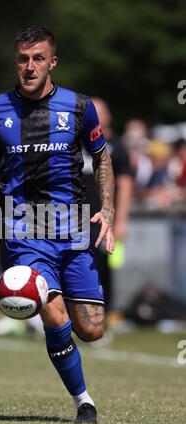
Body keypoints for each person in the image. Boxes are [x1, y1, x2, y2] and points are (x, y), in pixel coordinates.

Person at [0, 26, 115, 424]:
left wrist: (107, 210)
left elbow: (103, 158)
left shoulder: (79, 106)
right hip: (23, 229)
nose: (30, 66)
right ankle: (83, 401)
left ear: (52, 61)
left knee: (91, 330)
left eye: (38, 58)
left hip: (72, 229)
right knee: (54, 315)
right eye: (23, 58)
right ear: (15, 62)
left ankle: (64, 343)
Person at [83, 97, 134, 310]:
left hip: (104, 219)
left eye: (98, 112)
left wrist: (120, 219)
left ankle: (105, 312)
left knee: (102, 267)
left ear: (108, 116)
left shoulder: (117, 148)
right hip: (75, 218)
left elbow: (125, 185)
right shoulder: (76, 144)